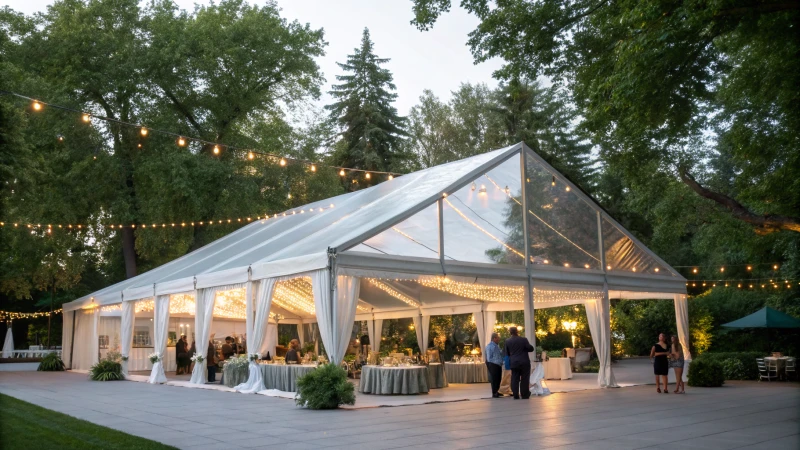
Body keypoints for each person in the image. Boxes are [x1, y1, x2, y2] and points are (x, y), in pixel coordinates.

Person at [504, 327, 534, 399]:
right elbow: (531, 348)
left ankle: (515, 394)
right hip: (524, 362)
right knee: (525, 378)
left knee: (514, 378)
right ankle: (524, 394)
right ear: (517, 332)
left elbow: (507, 353)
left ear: (510, 332)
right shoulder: (524, 340)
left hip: (514, 362)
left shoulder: (507, 341)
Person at [485, 332, 504, 398]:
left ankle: (497, 391)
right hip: (493, 364)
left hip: (498, 364)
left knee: (498, 378)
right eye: (498, 338)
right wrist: (493, 363)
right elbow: (489, 357)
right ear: (494, 338)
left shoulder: (497, 346)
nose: (499, 339)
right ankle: (494, 392)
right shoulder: (490, 346)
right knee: (494, 379)